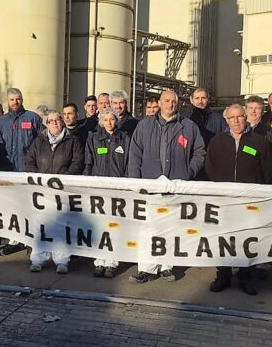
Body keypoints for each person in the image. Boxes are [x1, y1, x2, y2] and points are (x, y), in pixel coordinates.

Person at [128, 90, 205, 283]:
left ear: (177, 104)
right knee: (148, 229)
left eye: (173, 101)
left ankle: (167, 266)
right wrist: (136, 182)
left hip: (176, 186)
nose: (170, 104)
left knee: (171, 228)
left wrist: (188, 173)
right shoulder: (144, 126)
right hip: (150, 185)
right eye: (166, 101)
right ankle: (146, 268)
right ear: (159, 104)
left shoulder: (188, 126)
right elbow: (135, 155)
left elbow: (199, 152)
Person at [206, 104, 272, 295]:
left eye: (240, 117)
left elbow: (268, 170)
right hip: (224, 200)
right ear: (226, 120)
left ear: (246, 118)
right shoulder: (217, 141)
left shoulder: (259, 141)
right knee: (224, 239)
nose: (236, 121)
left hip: (249, 201)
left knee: (247, 239)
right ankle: (223, 275)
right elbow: (210, 167)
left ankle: (246, 277)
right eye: (232, 118)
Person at [25, 110, 84, 273]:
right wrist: (37, 179)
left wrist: (63, 179)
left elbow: (77, 162)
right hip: (42, 189)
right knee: (41, 224)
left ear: (62, 122)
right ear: (46, 124)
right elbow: (30, 161)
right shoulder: (39, 141)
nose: (55, 123)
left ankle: (62, 260)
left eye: (58, 120)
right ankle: (38, 258)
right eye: (51, 121)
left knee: (62, 225)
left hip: (63, 189)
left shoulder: (73, 140)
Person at [84, 107, 131, 278]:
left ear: (116, 120)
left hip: (117, 190)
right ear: (101, 122)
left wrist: (126, 186)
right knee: (99, 226)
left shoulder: (124, 138)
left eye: (112, 119)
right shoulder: (94, 139)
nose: (109, 123)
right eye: (105, 120)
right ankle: (99, 261)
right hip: (99, 189)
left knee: (114, 226)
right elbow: (88, 163)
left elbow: (128, 165)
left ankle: (111, 261)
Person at [0, 88, 43, 255]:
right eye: (11, 100)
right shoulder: (2, 121)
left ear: (22, 100)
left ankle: (31, 241)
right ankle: (14, 240)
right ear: (7, 102)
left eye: (18, 99)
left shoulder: (33, 118)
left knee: (30, 206)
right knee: (12, 206)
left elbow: (42, 142)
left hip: (27, 168)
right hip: (9, 169)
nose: (15, 102)